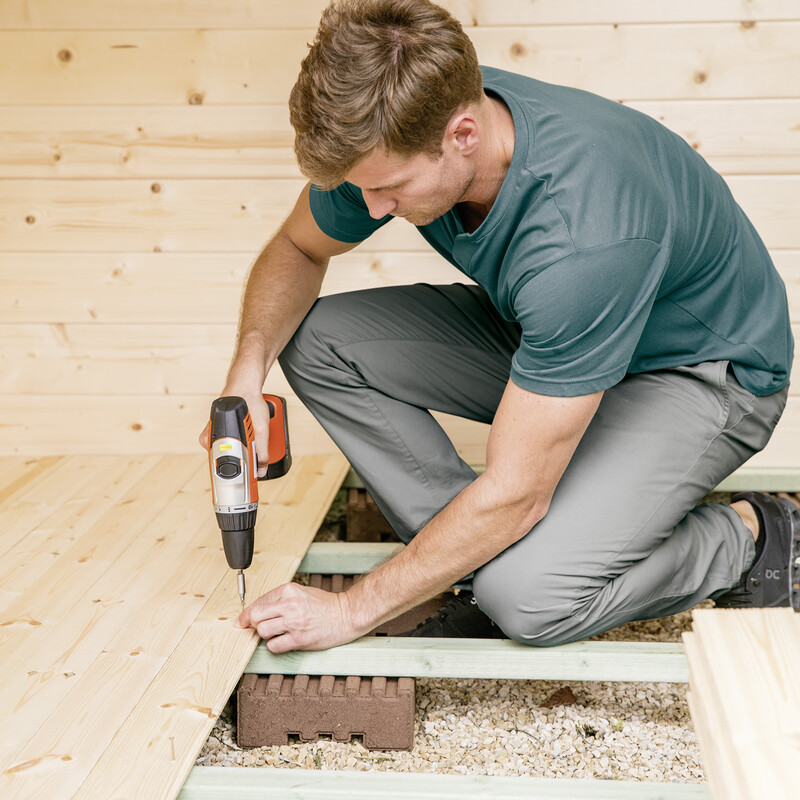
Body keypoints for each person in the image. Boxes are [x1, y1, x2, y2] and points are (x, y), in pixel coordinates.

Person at [201, 0, 798, 654]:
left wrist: (353, 610)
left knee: (530, 599)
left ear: (463, 136)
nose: (371, 208)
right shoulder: (397, 123)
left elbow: (517, 493)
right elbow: (297, 247)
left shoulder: (581, 236)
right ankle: (463, 562)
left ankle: (753, 538)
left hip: (703, 374)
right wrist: (246, 375)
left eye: (391, 190)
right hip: (564, 341)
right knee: (316, 341)